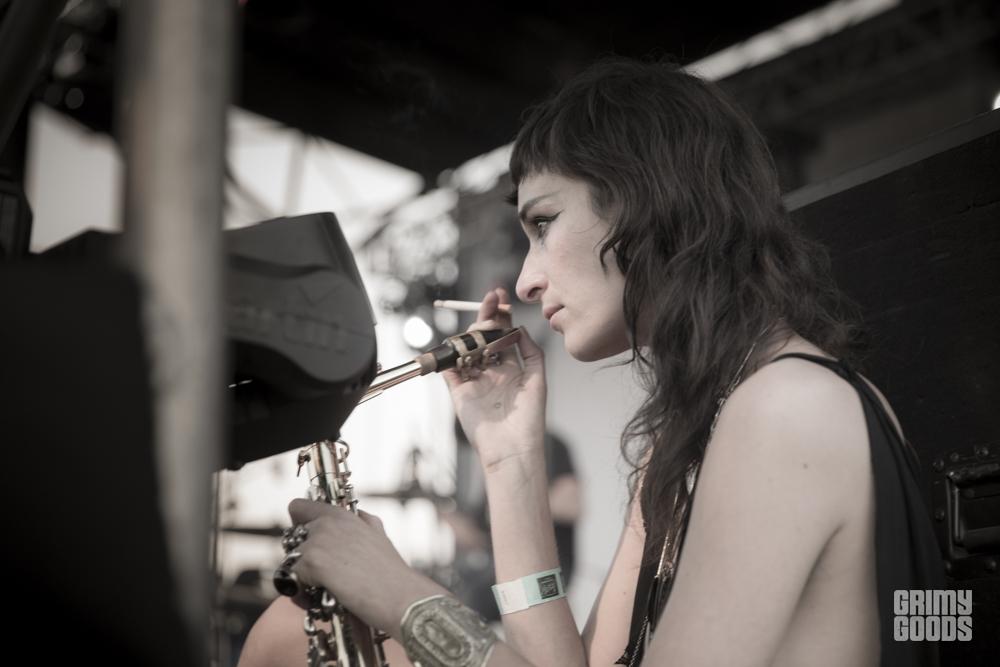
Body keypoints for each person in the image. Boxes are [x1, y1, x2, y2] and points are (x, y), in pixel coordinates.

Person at [238, 57, 945, 667]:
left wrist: (396, 594)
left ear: (646, 199)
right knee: (285, 632)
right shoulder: (703, 427)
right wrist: (510, 458)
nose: (525, 281)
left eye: (543, 223)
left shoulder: (786, 407)